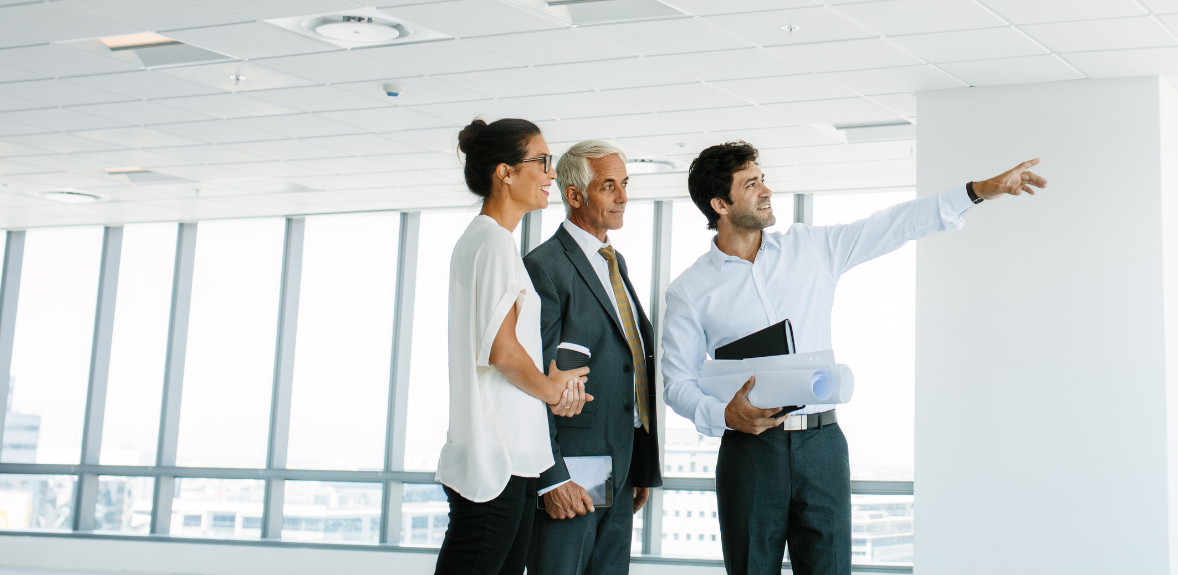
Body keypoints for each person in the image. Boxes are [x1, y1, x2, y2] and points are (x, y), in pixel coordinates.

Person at [660, 141, 1046, 575]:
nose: (767, 190)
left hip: (821, 446)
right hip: (750, 451)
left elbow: (893, 225)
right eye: (751, 184)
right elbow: (676, 385)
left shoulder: (810, 248)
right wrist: (724, 414)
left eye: (762, 178)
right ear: (720, 204)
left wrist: (977, 191)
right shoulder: (690, 291)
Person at [435, 117, 595, 575]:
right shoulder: (490, 243)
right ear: (505, 172)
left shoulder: (495, 243)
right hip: (495, 461)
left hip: (516, 459)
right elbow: (502, 353)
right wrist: (554, 392)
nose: (551, 174)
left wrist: (553, 385)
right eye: (542, 161)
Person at [525, 140, 663, 575]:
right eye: (609, 186)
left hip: (619, 467)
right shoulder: (545, 266)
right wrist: (552, 477)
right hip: (572, 467)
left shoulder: (613, 261)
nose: (623, 197)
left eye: (624, 184)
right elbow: (530, 381)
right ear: (575, 195)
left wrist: (639, 462)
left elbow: (628, 366)